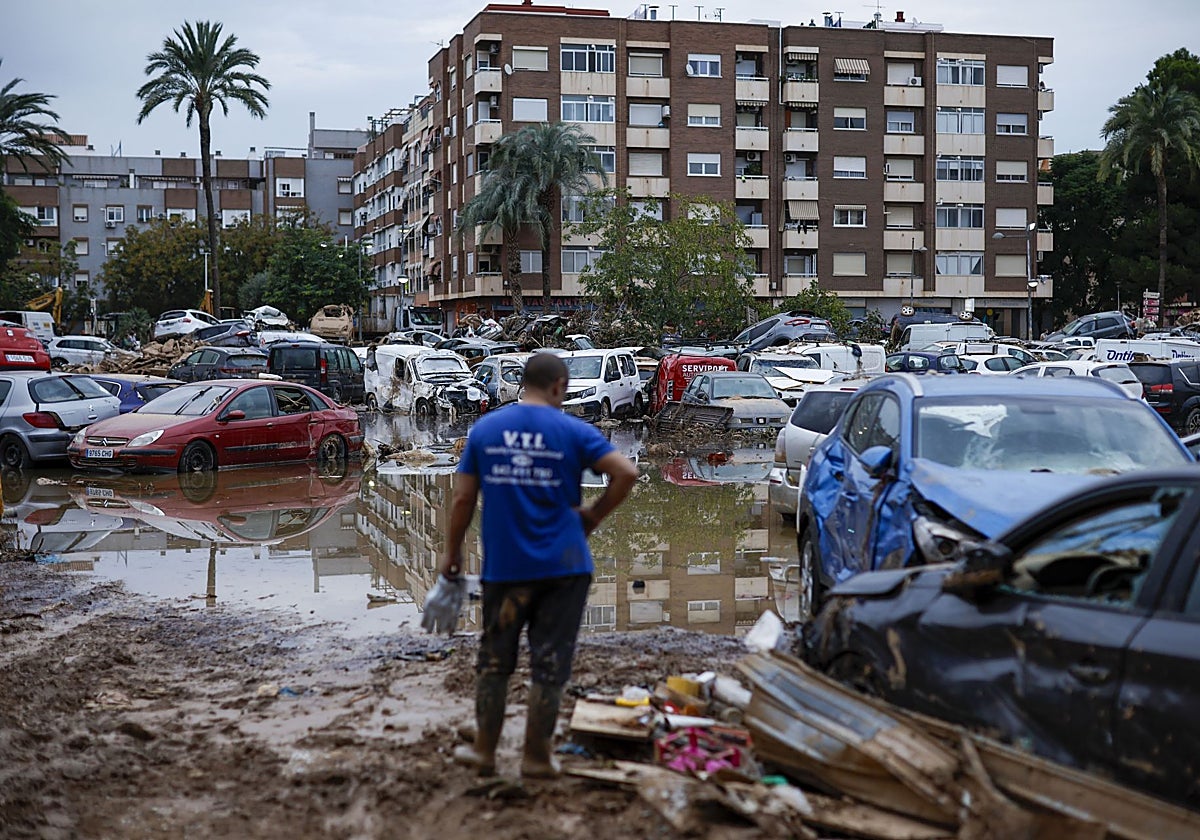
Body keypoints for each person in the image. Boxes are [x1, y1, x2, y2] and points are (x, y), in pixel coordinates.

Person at [440, 352, 638, 778]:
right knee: (550, 663)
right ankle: (536, 757)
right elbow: (625, 472)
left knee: (495, 660)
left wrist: (452, 552)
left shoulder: (486, 429)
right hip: (565, 568)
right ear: (559, 386)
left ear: (522, 384)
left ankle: (485, 752)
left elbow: (463, 498)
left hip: (506, 570)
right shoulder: (573, 431)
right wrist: (592, 516)